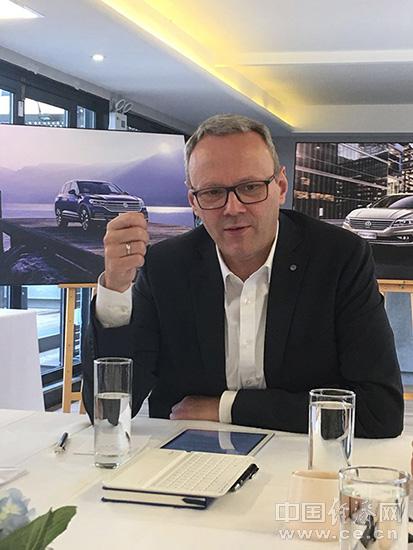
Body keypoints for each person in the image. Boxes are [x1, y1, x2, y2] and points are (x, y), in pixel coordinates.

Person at [82, 114, 403, 437]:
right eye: (213, 192)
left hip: (301, 457)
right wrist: (116, 287)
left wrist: (227, 408)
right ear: (194, 202)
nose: (232, 208)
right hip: (188, 455)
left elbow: (380, 411)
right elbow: (109, 411)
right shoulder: (165, 267)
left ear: (280, 187)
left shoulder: (339, 258)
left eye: (250, 187)